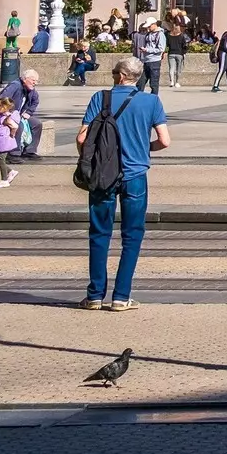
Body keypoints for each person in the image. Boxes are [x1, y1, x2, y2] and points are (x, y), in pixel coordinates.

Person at [76, 57, 170, 309]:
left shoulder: (100, 98)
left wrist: (89, 161)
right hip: (135, 175)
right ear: (137, 77)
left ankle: (95, 295)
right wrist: (143, 148)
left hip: (102, 176)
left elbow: (82, 137)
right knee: (132, 235)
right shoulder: (151, 101)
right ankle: (121, 297)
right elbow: (164, 141)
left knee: (99, 233)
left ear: (119, 76)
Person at [0, 70, 42, 161]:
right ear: (25, 79)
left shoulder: (30, 89)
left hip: (18, 115)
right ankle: (13, 153)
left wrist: (28, 112)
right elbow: (1, 99)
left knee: (37, 124)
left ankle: (29, 151)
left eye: (36, 81)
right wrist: (6, 112)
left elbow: (35, 101)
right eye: (33, 80)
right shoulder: (15, 85)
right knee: (19, 126)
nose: (35, 83)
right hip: (5, 114)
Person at [133, 18, 165, 95]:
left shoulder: (160, 34)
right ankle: (138, 96)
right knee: (141, 81)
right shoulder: (149, 34)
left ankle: (153, 98)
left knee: (154, 82)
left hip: (154, 61)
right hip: (146, 60)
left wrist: (147, 50)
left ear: (154, 24)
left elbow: (161, 49)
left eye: (149, 26)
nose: (148, 28)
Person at [0, 94, 21, 187]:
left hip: (4, 143)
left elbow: (15, 126)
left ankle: (4, 180)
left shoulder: (6, 118)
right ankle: (11, 172)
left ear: (4, 108)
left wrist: (12, 134)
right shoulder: (1, 116)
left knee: (1, 160)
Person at [210, 22, 227, 93]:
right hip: (223, 54)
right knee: (222, 69)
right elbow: (225, 46)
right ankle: (215, 86)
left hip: (226, 54)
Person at [163, 17, 188, 90]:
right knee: (178, 69)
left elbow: (167, 45)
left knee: (171, 68)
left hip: (171, 53)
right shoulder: (181, 36)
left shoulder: (169, 35)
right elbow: (184, 45)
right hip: (179, 53)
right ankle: (177, 82)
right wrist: (184, 52)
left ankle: (171, 81)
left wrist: (165, 51)